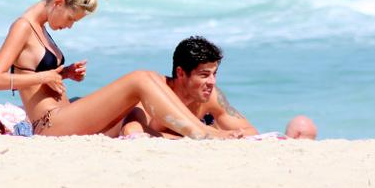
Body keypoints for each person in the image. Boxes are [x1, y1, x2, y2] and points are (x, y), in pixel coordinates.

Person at [0, 0, 244, 139]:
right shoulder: (22, 27)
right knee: (139, 79)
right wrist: (47, 75)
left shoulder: (41, 29)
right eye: (72, 19)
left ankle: (195, 133)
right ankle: (203, 133)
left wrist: (63, 73)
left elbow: (35, 77)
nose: (70, 27)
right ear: (58, 1)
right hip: (50, 125)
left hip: (64, 115)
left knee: (137, 108)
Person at [119, 36, 317, 139]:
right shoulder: (156, 93)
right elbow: (134, 133)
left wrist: (222, 134)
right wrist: (195, 135)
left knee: (304, 125)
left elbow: (250, 132)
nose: (212, 82)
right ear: (180, 73)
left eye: (215, 74)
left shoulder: (210, 96)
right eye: (204, 75)